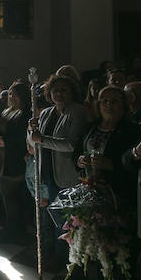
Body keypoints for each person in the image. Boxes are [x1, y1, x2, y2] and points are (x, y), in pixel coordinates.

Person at [76, 85, 140, 280]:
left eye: (115, 101)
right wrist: (81, 160)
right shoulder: (91, 127)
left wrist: (110, 165)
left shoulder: (132, 131)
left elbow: (135, 165)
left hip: (118, 197)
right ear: (98, 104)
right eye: (104, 101)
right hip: (92, 194)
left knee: (120, 247)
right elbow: (78, 152)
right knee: (96, 243)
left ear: (124, 105)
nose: (109, 105)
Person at [28, 74, 89, 266]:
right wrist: (31, 132)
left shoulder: (77, 112)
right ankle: (54, 254)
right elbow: (35, 144)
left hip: (66, 174)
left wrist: (42, 139)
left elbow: (72, 144)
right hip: (46, 173)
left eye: (64, 90)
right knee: (53, 218)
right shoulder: (46, 113)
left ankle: (69, 260)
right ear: (49, 93)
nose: (59, 94)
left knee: (68, 221)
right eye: (55, 90)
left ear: (72, 92)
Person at [0, 81, 31, 243]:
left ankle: (14, 230)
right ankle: (10, 226)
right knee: (5, 196)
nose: (11, 97)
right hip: (2, 157)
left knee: (11, 196)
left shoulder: (25, 114)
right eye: (10, 94)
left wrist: (5, 142)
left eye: (15, 95)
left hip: (14, 160)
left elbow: (22, 137)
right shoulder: (8, 111)